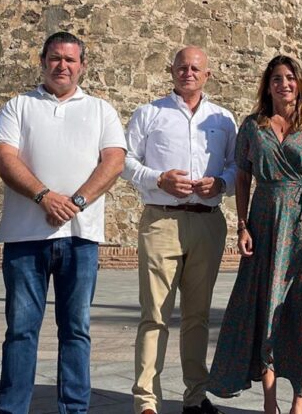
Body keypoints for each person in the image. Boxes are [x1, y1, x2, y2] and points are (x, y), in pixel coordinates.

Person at [0, 31, 127, 414]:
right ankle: (13, 407)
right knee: (20, 330)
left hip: (81, 237)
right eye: (55, 58)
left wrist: (77, 202)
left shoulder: (101, 110)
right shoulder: (19, 106)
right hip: (25, 236)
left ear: (82, 65)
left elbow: (113, 161)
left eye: (70, 59)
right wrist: (43, 195)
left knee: (76, 331)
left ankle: (74, 408)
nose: (62, 65)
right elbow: (3, 157)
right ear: (42, 61)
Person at [209, 54, 302, 414]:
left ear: (298, 83)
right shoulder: (252, 126)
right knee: (264, 307)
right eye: (276, 79)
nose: (284, 84)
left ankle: (299, 400)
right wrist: (242, 224)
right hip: (265, 222)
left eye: (290, 78)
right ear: (267, 85)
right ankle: (269, 400)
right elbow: (242, 176)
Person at [123, 46, 238, 414]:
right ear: (171, 71)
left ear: (208, 75)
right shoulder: (149, 113)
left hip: (208, 223)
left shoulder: (224, 119)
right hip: (161, 220)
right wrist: (158, 179)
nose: (188, 73)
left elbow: (237, 166)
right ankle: (146, 401)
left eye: (195, 68)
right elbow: (125, 161)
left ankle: (195, 396)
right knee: (154, 314)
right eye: (181, 67)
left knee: (198, 315)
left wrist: (221, 183)